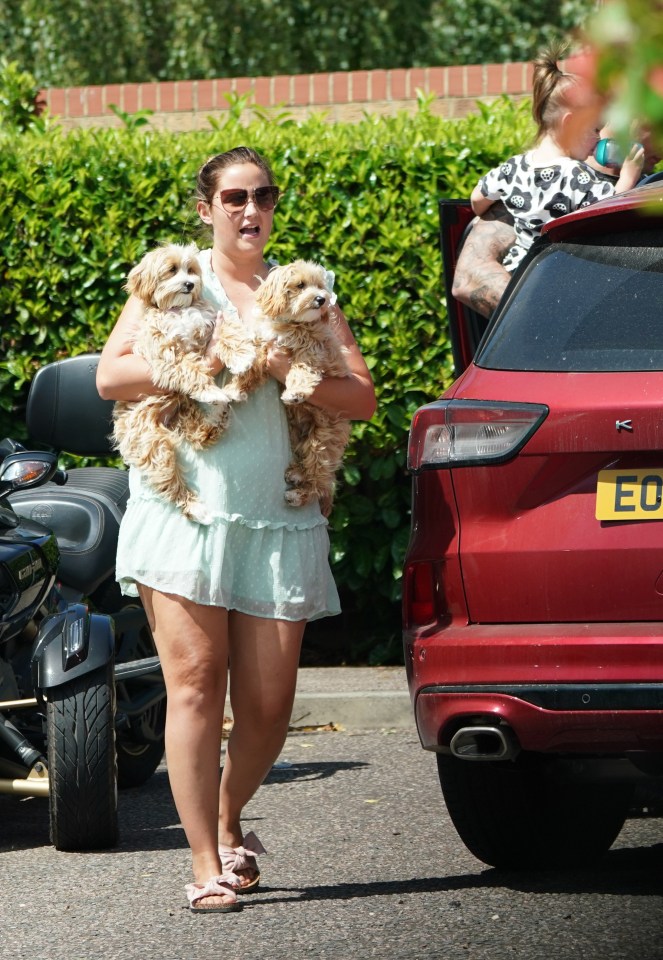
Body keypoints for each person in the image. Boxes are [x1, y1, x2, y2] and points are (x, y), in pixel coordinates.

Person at [96, 146, 376, 913]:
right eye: (233, 198)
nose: (249, 210)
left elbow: (360, 398)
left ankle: (225, 820)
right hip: (183, 512)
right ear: (206, 209)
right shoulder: (179, 283)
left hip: (277, 517)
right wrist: (201, 359)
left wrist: (291, 363)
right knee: (192, 687)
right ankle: (201, 862)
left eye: (262, 196)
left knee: (267, 705)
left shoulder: (301, 292)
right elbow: (110, 376)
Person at [469, 41, 644, 276]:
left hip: (518, 276)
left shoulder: (512, 168)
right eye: (594, 129)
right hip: (556, 274)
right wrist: (629, 175)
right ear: (569, 123)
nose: (598, 138)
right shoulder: (575, 175)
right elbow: (608, 208)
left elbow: (477, 199)